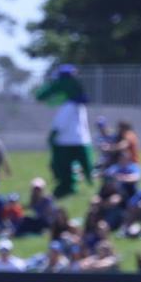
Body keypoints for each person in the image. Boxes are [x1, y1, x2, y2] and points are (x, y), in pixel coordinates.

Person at [35, 65, 93, 197]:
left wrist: (52, 136)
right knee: (85, 166)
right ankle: (88, 184)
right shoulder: (79, 105)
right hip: (82, 140)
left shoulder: (69, 105)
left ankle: (67, 187)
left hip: (64, 142)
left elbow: (60, 124)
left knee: (62, 167)